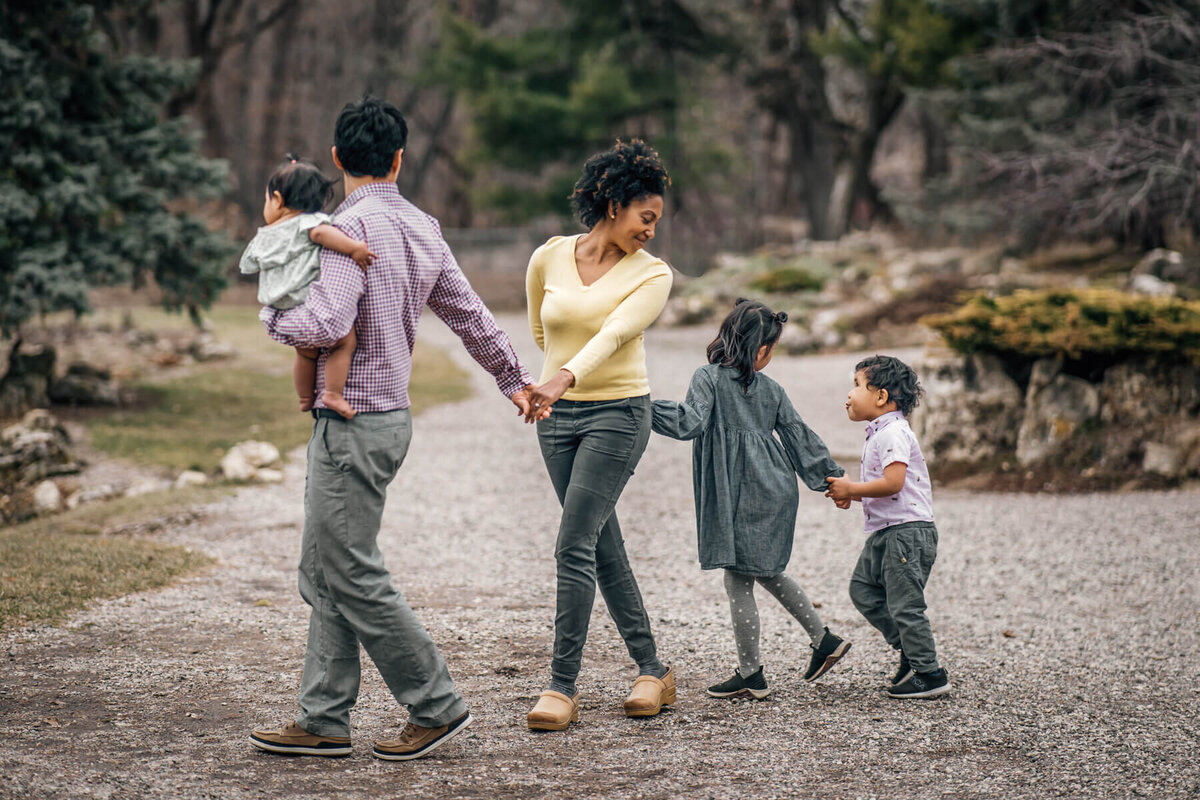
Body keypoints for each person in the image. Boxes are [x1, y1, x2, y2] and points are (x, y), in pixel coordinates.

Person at [249, 96, 540, 761]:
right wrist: (513, 379)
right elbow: (469, 315)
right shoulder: (421, 226)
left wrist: (272, 320)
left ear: (336, 158)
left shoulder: (341, 228)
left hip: (353, 424)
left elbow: (324, 325)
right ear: (400, 158)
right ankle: (323, 716)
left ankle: (435, 704)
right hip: (388, 420)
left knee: (347, 570)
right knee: (323, 569)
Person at [522, 139, 676, 731]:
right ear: (613, 203)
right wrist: (558, 381)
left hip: (618, 413)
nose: (651, 231)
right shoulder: (549, 257)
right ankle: (653, 670)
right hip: (556, 421)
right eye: (646, 217)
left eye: (656, 221)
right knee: (598, 544)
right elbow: (542, 327)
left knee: (572, 544)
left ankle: (561, 687)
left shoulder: (653, 275)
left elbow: (613, 334)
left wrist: (563, 376)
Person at [651, 299, 851, 700]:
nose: (770, 357)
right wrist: (831, 478)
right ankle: (821, 641)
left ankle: (752, 673)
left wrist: (640, 408)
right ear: (760, 349)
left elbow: (690, 422)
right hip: (772, 488)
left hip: (740, 491)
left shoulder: (707, 377)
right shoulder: (772, 390)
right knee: (763, 571)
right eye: (771, 348)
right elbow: (800, 436)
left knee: (740, 577)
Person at [824, 355, 950, 699]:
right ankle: (910, 652)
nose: (849, 394)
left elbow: (894, 482)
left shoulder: (893, 432)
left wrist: (852, 489)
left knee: (906, 604)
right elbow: (890, 487)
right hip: (887, 530)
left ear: (881, 397)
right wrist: (854, 494)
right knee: (863, 589)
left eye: (857, 386)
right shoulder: (880, 432)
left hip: (907, 533)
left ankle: (929, 672)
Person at [239, 155, 376, 419]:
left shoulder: (265, 235)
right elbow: (324, 235)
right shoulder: (309, 223)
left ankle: (304, 397)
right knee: (344, 342)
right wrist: (355, 248)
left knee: (306, 354)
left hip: (281, 305)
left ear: (277, 200)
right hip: (305, 301)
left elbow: (249, 265)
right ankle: (332, 394)